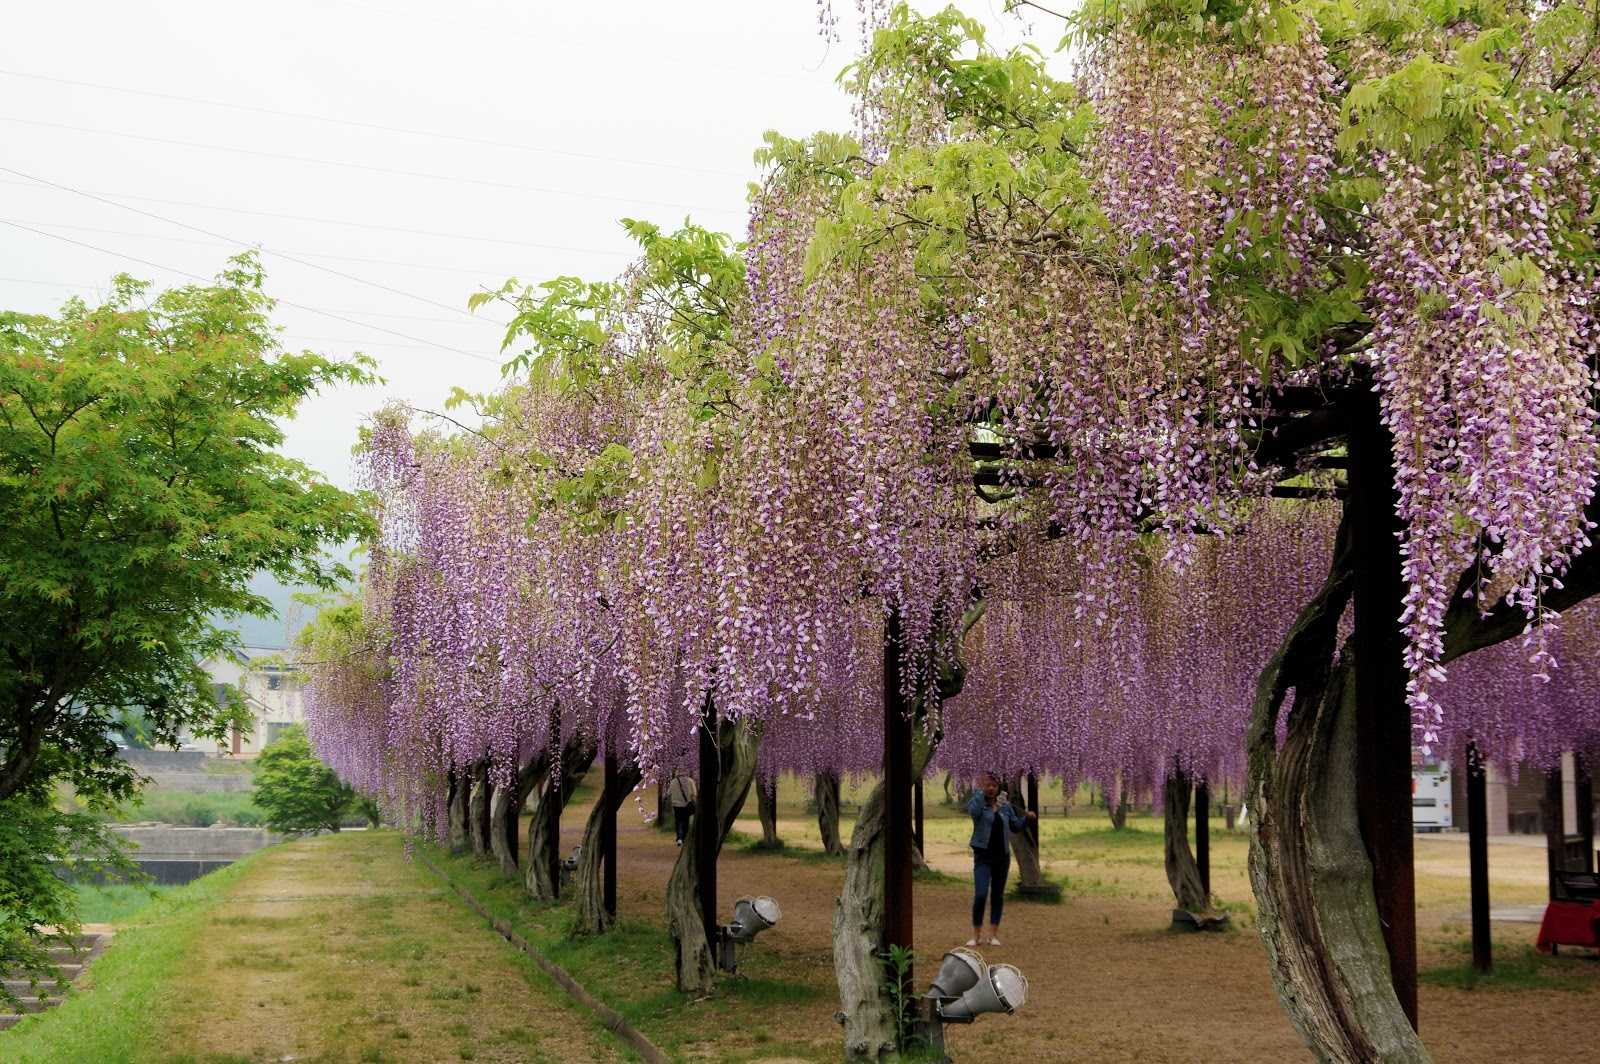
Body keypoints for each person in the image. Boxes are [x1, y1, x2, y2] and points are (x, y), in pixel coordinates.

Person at [964, 772, 1033, 946]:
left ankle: (993, 935)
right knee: (980, 894)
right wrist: (980, 791)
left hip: (1002, 857)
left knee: (997, 896)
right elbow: (972, 812)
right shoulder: (978, 805)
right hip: (983, 857)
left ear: (998, 788)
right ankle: (976, 935)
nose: (991, 788)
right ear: (983, 786)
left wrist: (1026, 819)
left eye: (994, 786)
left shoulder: (1005, 807)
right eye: (988, 785)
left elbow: (1015, 827)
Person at [667, 767, 698, 847]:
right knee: (685, 821)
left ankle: (679, 838)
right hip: (686, 805)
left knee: (678, 821)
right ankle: (683, 837)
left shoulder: (673, 782)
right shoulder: (690, 781)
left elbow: (668, 793)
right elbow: (694, 794)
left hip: (676, 805)